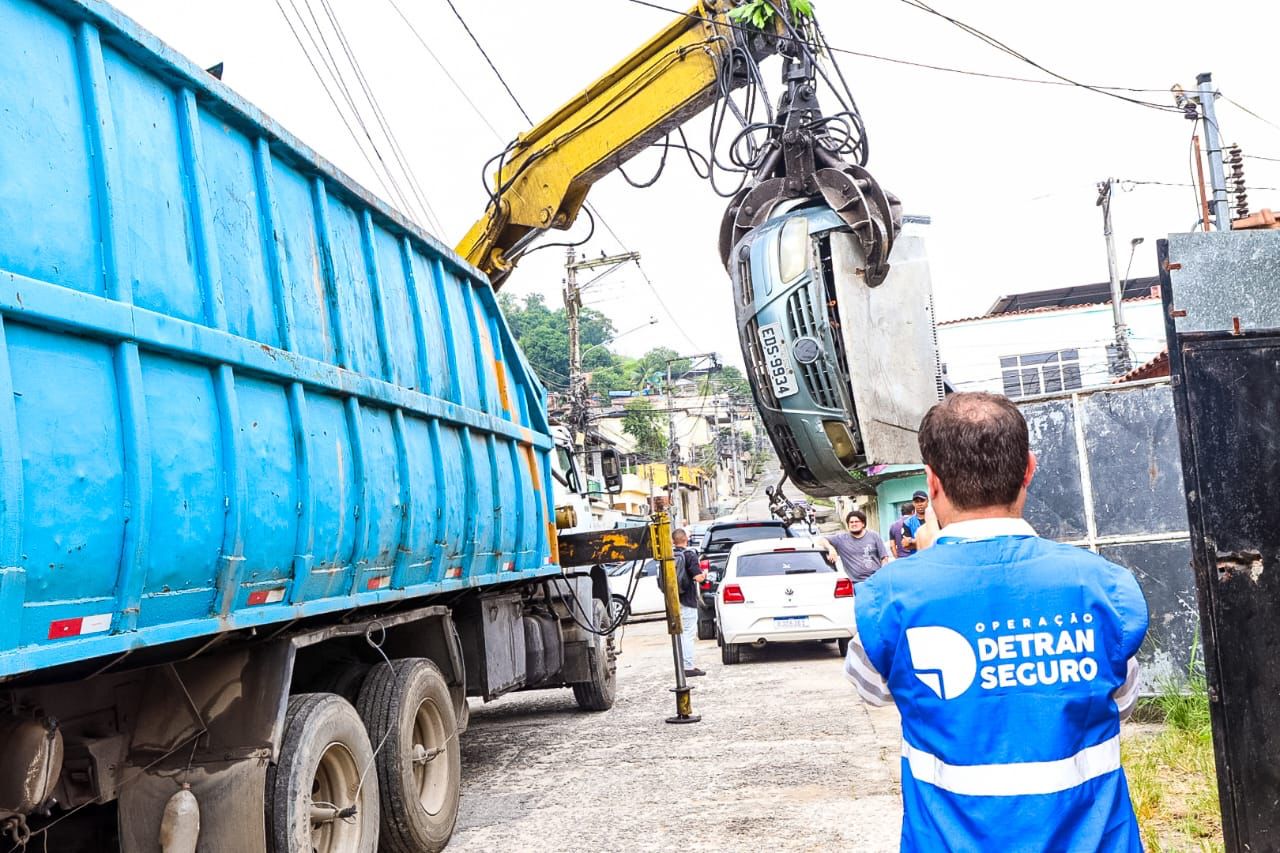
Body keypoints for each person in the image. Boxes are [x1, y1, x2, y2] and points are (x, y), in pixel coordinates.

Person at [844, 392, 1148, 851]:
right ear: (1029, 468)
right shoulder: (1103, 586)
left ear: (933, 481)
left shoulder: (891, 596)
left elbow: (870, 688)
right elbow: (1123, 701)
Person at [815, 510, 892, 583]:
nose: (854, 524)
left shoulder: (874, 536)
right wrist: (830, 548)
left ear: (863, 524)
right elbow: (821, 540)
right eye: (851, 522)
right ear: (848, 524)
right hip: (856, 583)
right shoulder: (841, 539)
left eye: (857, 521)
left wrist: (882, 574)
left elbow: (884, 558)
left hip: (876, 580)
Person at [673, 528, 706, 677]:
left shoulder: (670, 555)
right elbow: (698, 578)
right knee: (688, 633)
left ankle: (681, 664)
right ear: (686, 538)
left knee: (678, 634)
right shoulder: (689, 555)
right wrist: (704, 574)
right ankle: (688, 666)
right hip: (687, 599)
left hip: (673, 600)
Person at [899, 490, 930, 555]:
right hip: (918, 558)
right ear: (913, 503)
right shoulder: (908, 523)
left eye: (922, 501)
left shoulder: (935, 519)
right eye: (916, 502)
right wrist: (928, 542)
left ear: (927, 501)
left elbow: (939, 541)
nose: (920, 504)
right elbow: (906, 545)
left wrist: (912, 541)